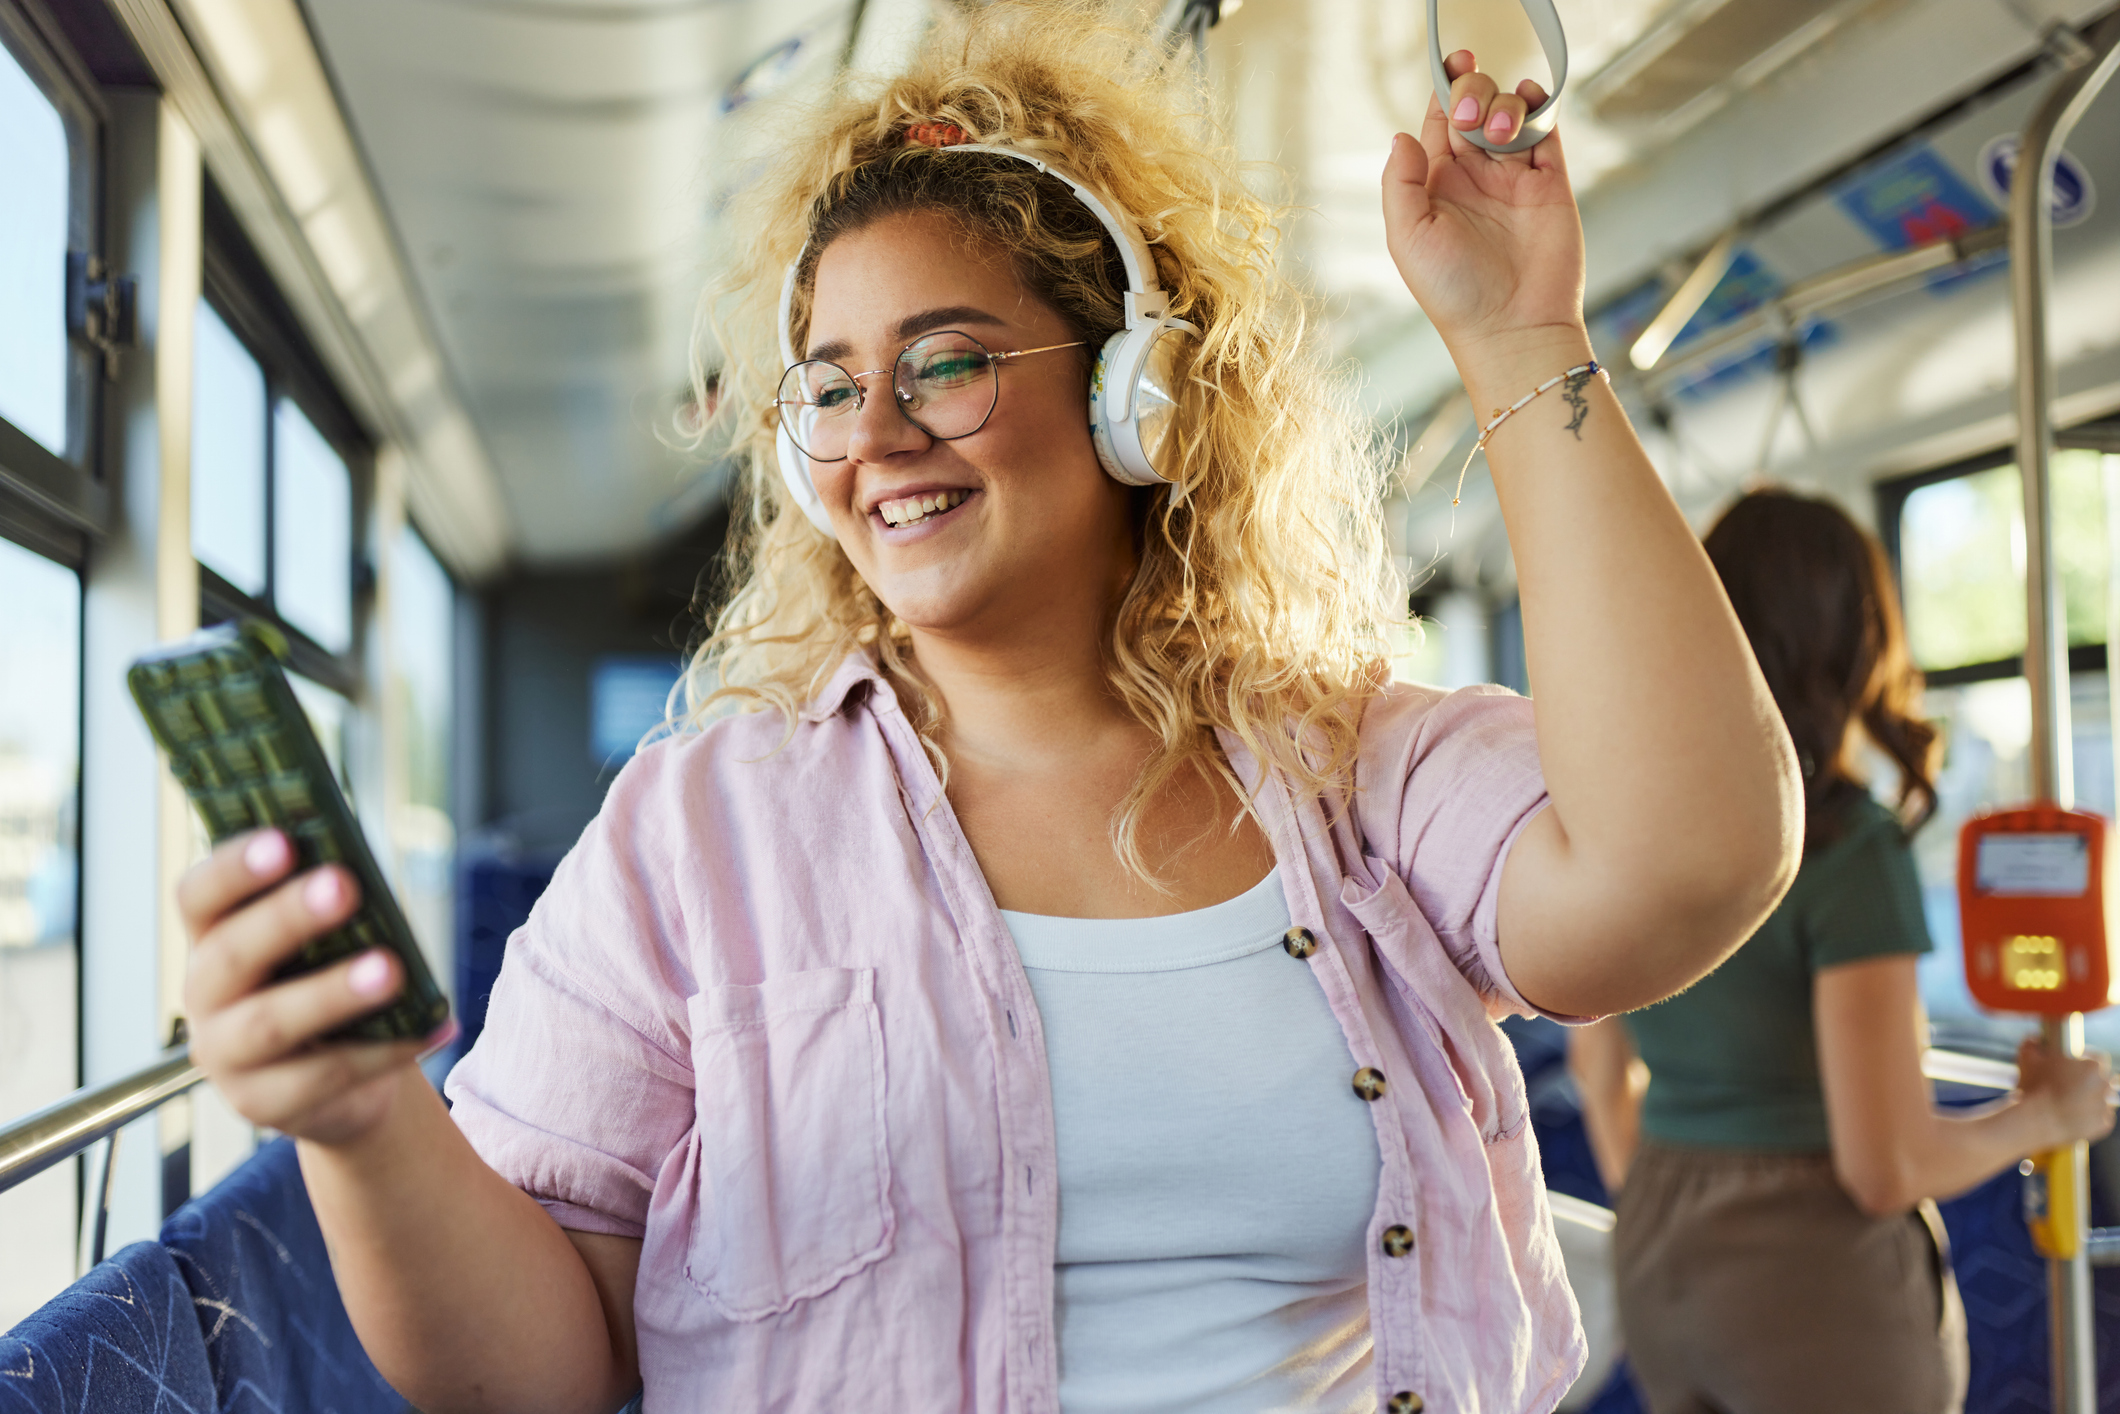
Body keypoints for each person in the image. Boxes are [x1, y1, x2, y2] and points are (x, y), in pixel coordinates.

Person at [173, 5, 1800, 1410]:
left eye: (947, 362)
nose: (873, 431)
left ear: (1133, 399)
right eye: (827, 383)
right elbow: (533, 1369)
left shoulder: (1354, 769)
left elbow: (1687, 860)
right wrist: (368, 1117)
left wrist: (1519, 334)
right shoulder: (698, 832)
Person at [1569, 489, 2118, 1414]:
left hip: (1662, 1258)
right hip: (1815, 1293)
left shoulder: (1642, 817)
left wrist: (1682, 1191)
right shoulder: (1844, 845)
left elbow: (1595, 1064)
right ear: (1856, 641)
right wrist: (2047, 1117)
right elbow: (1885, 1167)